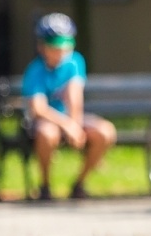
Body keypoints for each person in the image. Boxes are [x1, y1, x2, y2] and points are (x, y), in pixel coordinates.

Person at [22, 13, 116, 201]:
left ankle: (79, 183)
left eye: (64, 46)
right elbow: (38, 109)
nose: (60, 51)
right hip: (47, 121)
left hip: (71, 118)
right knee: (47, 134)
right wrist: (67, 125)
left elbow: (74, 96)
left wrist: (75, 124)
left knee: (106, 132)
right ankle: (45, 186)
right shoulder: (35, 70)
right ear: (42, 47)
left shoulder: (75, 62)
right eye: (55, 46)